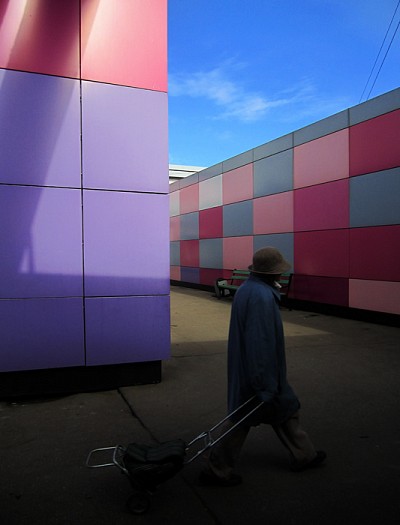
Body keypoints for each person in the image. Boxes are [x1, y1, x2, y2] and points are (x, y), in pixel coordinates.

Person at [200, 247, 326, 486]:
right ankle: (216, 469)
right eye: (279, 271)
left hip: (251, 368)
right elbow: (261, 343)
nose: (281, 274)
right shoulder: (262, 297)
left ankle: (304, 454)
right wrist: (264, 383)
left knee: (282, 409)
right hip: (260, 372)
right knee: (247, 415)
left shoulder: (248, 289)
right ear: (272, 273)